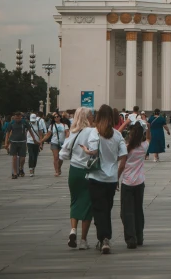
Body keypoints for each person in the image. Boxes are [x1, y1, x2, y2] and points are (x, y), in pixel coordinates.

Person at [82, 103, 128, 255]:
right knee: (106, 208)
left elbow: (94, 151)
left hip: (96, 177)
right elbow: (123, 156)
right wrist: (117, 174)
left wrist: (86, 150)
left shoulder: (95, 133)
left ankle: (104, 238)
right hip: (111, 178)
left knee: (98, 209)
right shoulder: (117, 135)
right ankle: (105, 237)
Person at [59, 106, 94, 250]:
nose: (93, 117)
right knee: (87, 205)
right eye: (91, 115)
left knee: (74, 201)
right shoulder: (92, 132)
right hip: (88, 171)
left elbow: (62, 154)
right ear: (87, 118)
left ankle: (73, 229)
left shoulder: (72, 133)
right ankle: (83, 240)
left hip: (73, 171)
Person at [119, 122, 148, 249]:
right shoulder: (144, 147)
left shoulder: (126, 148)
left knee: (126, 212)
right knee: (138, 210)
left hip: (127, 183)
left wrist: (116, 178)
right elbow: (149, 138)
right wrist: (148, 127)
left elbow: (122, 165)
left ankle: (131, 239)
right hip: (139, 183)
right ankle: (139, 236)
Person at [5, 112, 40, 179]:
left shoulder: (24, 122)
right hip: (14, 142)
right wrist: (6, 143)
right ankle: (15, 173)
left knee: (23, 158)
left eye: (19, 118)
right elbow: (8, 133)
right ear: (14, 117)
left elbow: (30, 130)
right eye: (16, 118)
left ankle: (21, 168)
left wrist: (34, 139)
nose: (17, 119)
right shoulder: (11, 123)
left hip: (22, 142)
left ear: (21, 117)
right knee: (14, 158)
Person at [41, 112, 69, 176]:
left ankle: (59, 168)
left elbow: (67, 133)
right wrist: (41, 141)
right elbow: (48, 135)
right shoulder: (51, 126)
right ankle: (56, 171)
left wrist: (67, 140)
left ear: (60, 117)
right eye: (54, 117)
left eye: (57, 117)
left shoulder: (64, 125)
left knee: (61, 158)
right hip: (54, 142)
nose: (56, 118)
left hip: (62, 143)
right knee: (56, 157)